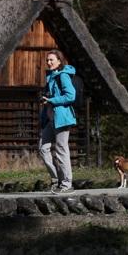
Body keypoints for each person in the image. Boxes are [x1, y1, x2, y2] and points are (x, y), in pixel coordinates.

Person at [39, 50, 77, 193]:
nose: (49, 62)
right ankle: (57, 179)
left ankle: (67, 185)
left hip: (62, 118)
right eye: (47, 60)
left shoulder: (63, 76)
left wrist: (52, 100)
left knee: (61, 150)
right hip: (51, 119)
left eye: (51, 60)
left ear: (59, 61)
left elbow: (70, 96)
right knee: (43, 149)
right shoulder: (51, 77)